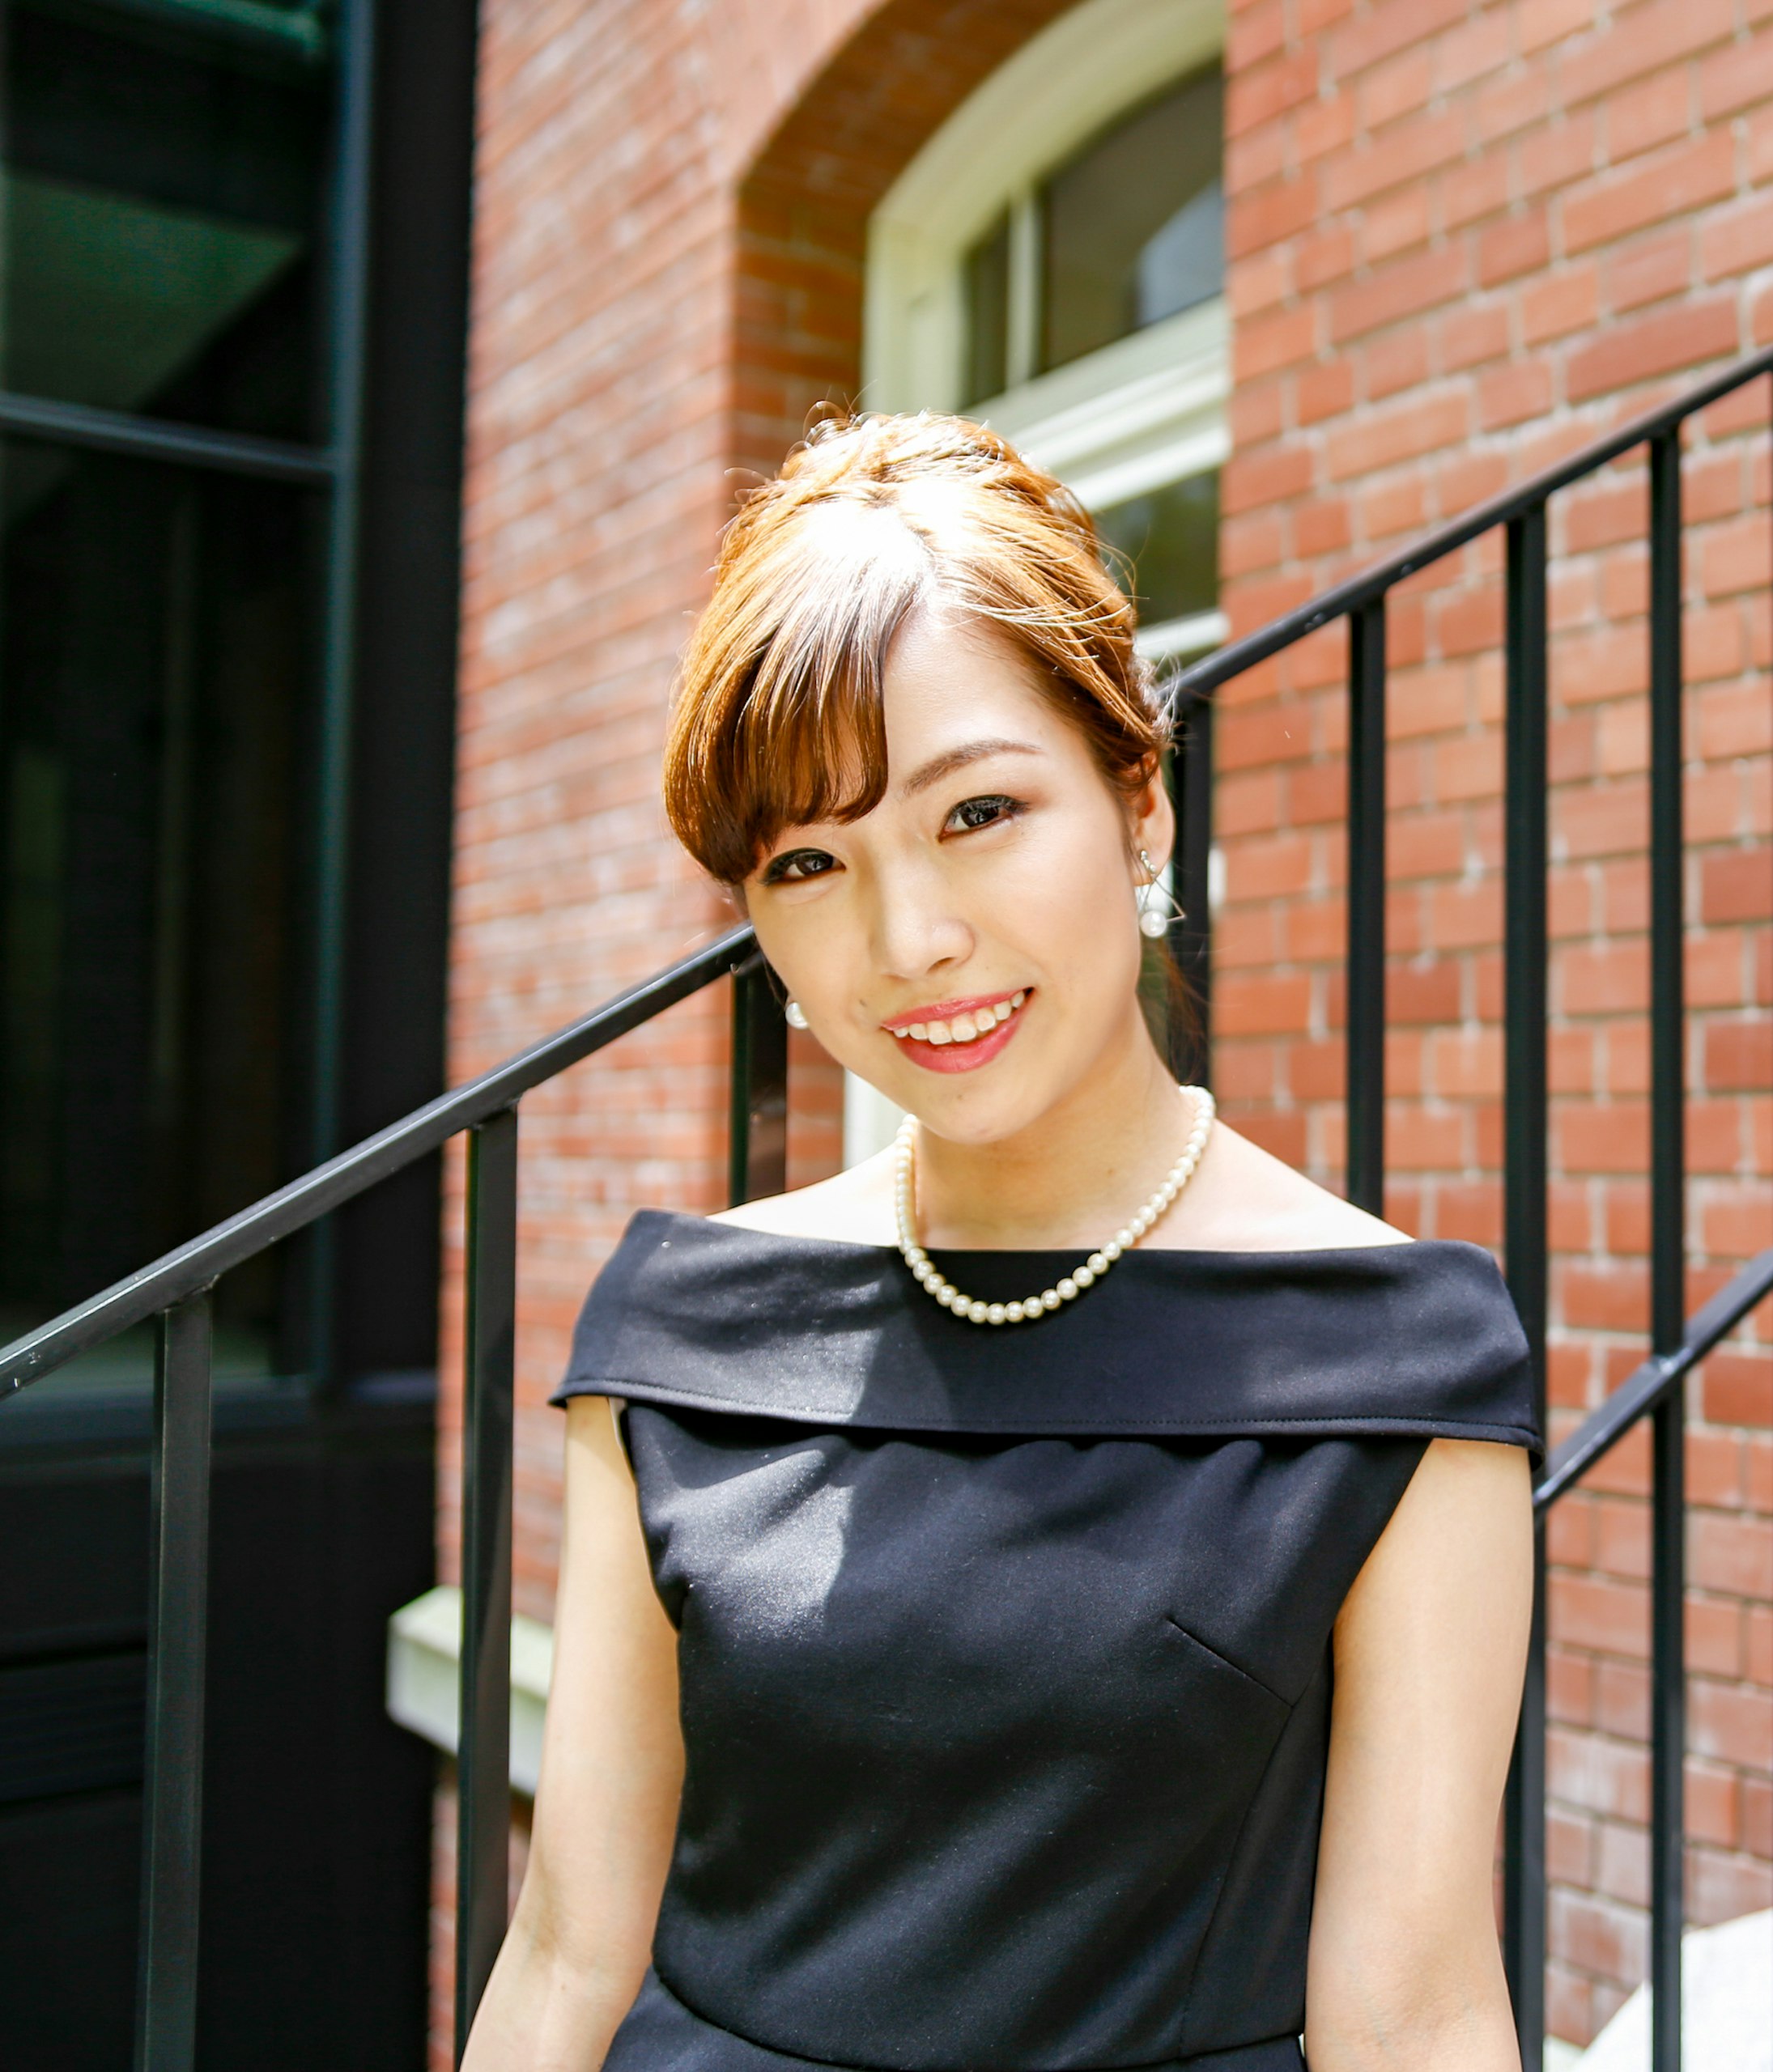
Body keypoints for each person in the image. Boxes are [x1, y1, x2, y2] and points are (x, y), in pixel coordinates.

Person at [461, 414, 1537, 2072]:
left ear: (1140, 802)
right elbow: (565, 1948)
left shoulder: (1392, 1358)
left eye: (978, 812)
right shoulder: (680, 1331)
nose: (909, 941)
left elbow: (1413, 2013)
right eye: (811, 861)